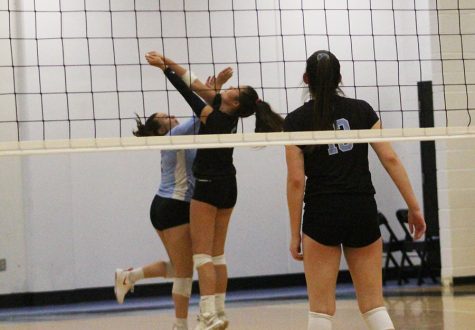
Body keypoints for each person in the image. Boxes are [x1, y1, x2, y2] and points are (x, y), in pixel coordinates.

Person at [283, 50, 426, 330]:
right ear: (340, 78)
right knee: (373, 305)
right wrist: (415, 207)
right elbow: (390, 159)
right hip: (361, 209)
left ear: (306, 79)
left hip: (321, 213)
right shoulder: (362, 110)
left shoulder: (295, 120)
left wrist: (294, 233)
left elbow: (296, 181)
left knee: (321, 310)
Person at [145, 50, 284, 330]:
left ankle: (207, 316)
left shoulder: (214, 116)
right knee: (218, 255)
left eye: (234, 89)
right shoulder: (227, 113)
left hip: (208, 188)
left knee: (203, 257)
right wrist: (168, 62)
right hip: (229, 187)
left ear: (233, 100)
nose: (230, 88)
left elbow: (189, 92)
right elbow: (197, 83)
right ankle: (219, 311)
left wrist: (165, 71)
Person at [114, 111, 200, 330]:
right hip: (175, 206)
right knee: (184, 272)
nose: (173, 115)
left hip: (164, 205)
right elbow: (201, 113)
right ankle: (179, 325)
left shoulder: (179, 136)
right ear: (162, 130)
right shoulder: (176, 134)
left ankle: (129, 276)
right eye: (167, 117)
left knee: (179, 266)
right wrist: (213, 88)